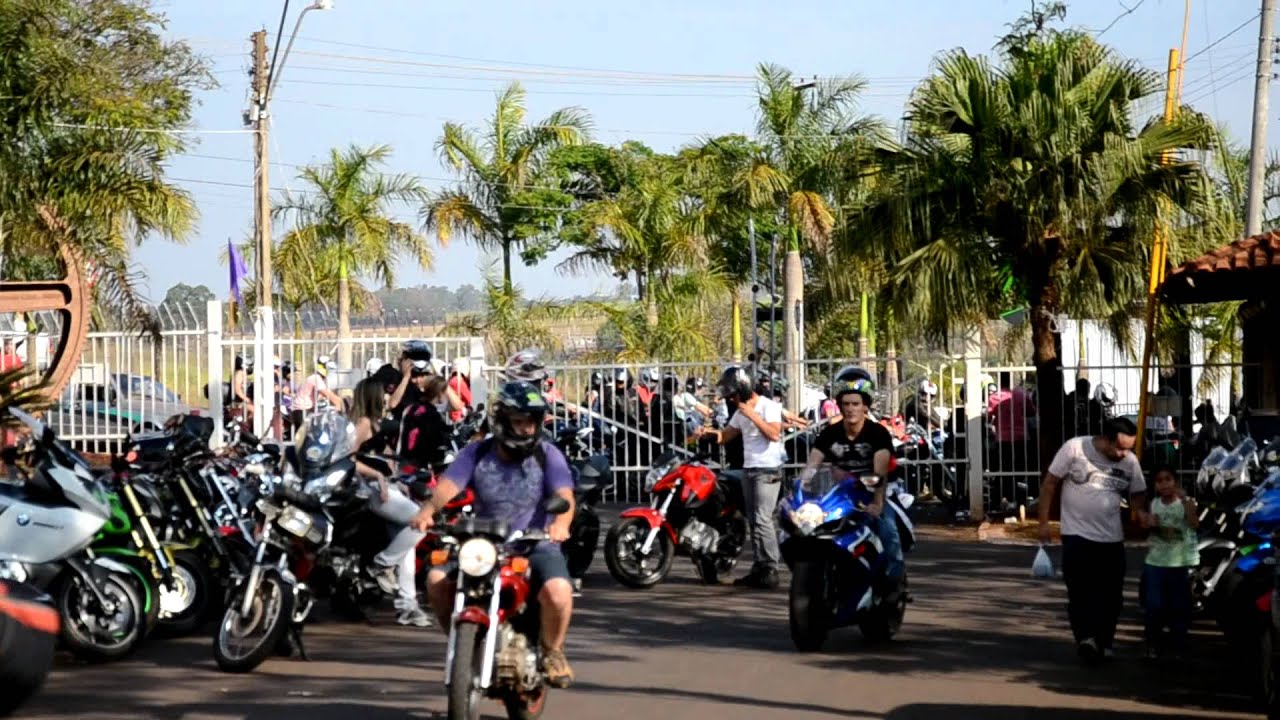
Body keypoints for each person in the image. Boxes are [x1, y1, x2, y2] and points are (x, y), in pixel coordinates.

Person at [411, 381, 577, 688]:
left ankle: (553, 651)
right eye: (519, 421)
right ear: (501, 421)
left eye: (531, 422)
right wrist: (427, 511)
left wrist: (561, 524)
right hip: (483, 544)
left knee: (559, 591)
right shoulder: (477, 453)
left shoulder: (547, 454)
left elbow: (564, 495)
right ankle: (462, 643)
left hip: (535, 543)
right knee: (435, 580)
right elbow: (448, 486)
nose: (526, 429)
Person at [1037, 416, 1147, 665]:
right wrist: (1043, 523)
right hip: (1077, 535)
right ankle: (1086, 638)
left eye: (1128, 449)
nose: (1123, 454)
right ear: (1106, 440)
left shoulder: (1130, 462)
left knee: (1112, 596)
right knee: (1080, 591)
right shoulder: (1074, 449)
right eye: (1120, 448)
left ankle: (1104, 641)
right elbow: (1050, 483)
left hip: (1112, 538)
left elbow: (1138, 493)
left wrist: (1139, 512)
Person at [796, 367, 904, 595]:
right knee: (814, 529)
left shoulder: (878, 433)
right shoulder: (829, 434)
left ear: (865, 406)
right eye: (846, 404)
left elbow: (880, 472)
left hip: (874, 492)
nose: (850, 408)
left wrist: (877, 503)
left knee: (888, 529)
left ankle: (894, 583)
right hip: (841, 494)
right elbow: (812, 464)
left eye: (856, 404)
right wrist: (801, 488)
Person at [348, 379, 431, 628]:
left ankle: (407, 606)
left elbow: (386, 460)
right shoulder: (363, 423)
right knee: (419, 521)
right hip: (372, 489)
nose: (387, 398)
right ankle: (380, 565)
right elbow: (347, 459)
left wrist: (397, 479)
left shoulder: (375, 423)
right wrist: (378, 476)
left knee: (406, 546)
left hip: (389, 487)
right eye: (383, 394)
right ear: (372, 396)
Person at [696, 366, 785, 589]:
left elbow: (774, 434)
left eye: (734, 395)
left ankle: (770, 567)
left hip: (768, 470)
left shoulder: (768, 406)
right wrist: (707, 434)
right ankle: (759, 567)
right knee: (753, 520)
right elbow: (726, 435)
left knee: (763, 518)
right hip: (749, 469)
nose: (731, 400)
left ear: (744, 389)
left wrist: (752, 415)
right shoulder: (739, 412)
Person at [1140, 465, 1198, 660]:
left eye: (1168, 479)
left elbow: (1194, 523)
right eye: (1159, 481)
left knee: (1179, 607)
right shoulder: (1155, 504)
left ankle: (1177, 645)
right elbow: (1150, 527)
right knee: (1154, 605)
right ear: (1155, 485)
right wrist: (1148, 523)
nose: (1164, 484)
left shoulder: (1185, 503)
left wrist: (1186, 501)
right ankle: (1153, 643)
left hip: (1178, 563)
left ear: (1176, 482)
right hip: (1155, 562)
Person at [293, 355, 342, 430]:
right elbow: (329, 396)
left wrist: (339, 400)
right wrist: (340, 404)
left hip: (304, 410)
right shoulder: (316, 378)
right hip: (302, 411)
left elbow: (328, 394)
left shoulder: (317, 379)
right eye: (330, 369)